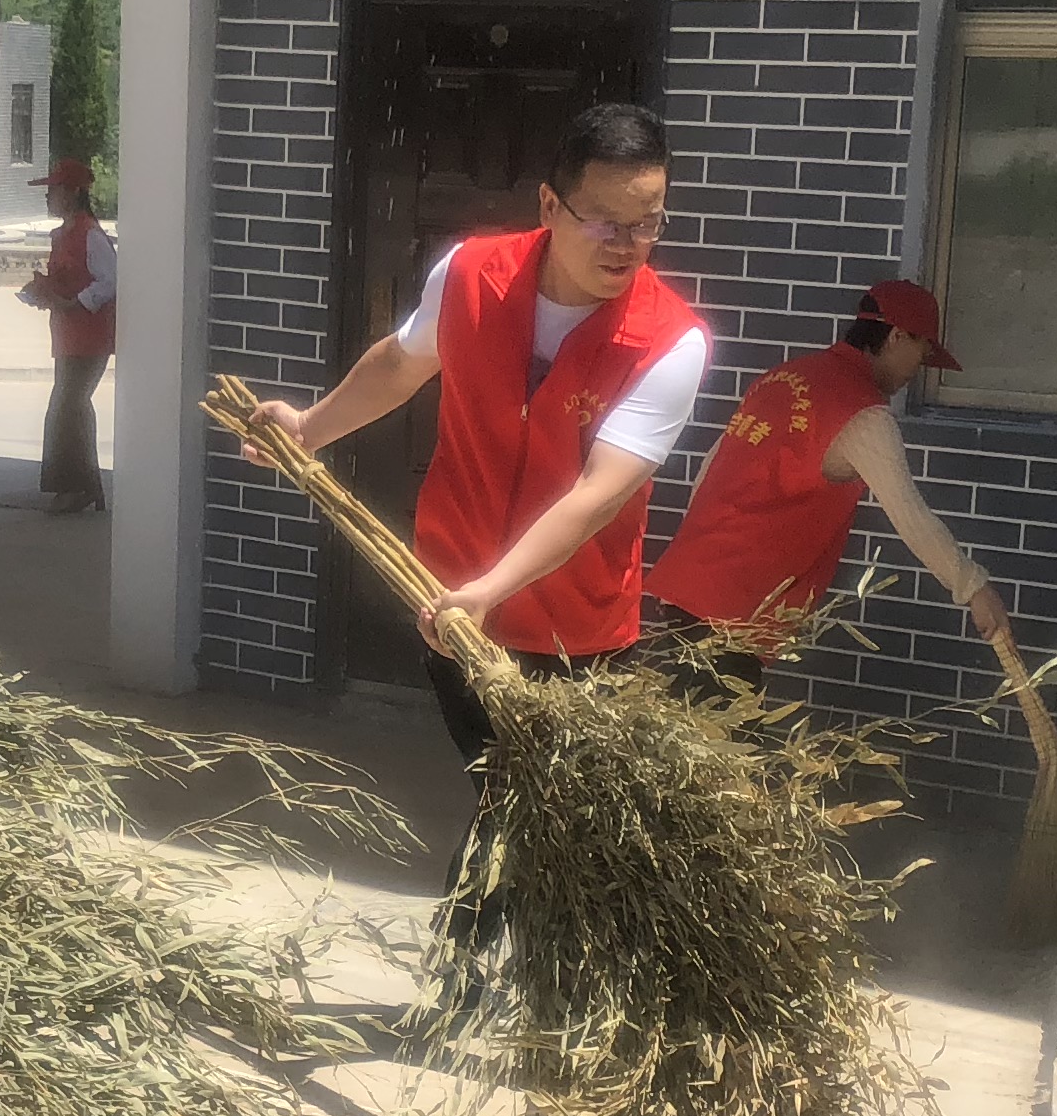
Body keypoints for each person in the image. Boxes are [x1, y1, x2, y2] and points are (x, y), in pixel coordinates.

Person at [243, 99, 710, 783]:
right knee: (500, 795)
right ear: (550, 206)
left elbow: (598, 495)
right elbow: (402, 362)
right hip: (449, 604)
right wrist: (311, 429)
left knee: (541, 818)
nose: (626, 244)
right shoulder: (469, 273)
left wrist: (492, 589)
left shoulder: (672, 340)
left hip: (572, 631)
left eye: (647, 223)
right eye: (605, 220)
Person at [645, 275, 1008, 687]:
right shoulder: (864, 415)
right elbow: (911, 516)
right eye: (920, 354)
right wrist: (974, 587)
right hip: (735, 613)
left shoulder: (781, 378)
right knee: (718, 741)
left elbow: (710, 469)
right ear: (897, 337)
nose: (917, 373)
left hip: (683, 587)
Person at [18, 156, 115, 511]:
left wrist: (75, 302)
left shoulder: (90, 234)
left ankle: (81, 487)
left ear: (73, 193)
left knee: (69, 404)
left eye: (55, 190)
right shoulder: (63, 235)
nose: (49, 197)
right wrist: (41, 291)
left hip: (89, 337)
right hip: (68, 335)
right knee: (69, 405)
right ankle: (81, 486)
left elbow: (110, 281)